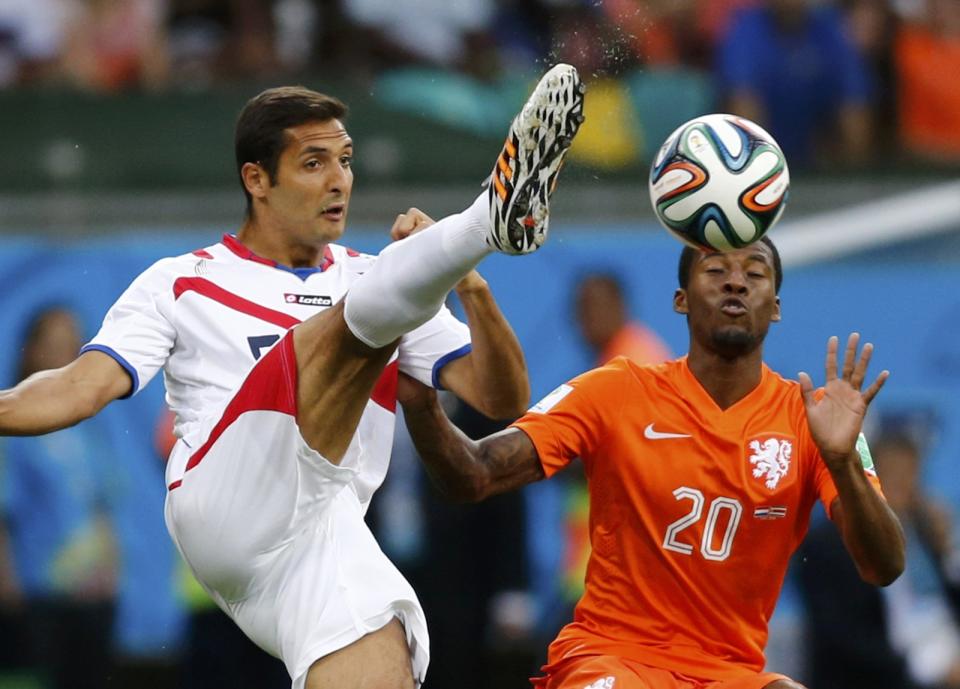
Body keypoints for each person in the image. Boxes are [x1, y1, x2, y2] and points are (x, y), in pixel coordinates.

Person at [0, 63, 586, 689]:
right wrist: (441, 258)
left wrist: (465, 281)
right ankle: (483, 221)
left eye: (346, 160)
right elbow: (79, 386)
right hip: (227, 504)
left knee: (386, 660)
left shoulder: (378, 279)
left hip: (325, 532)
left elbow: (503, 395)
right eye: (313, 164)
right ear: (257, 179)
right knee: (347, 327)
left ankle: (480, 234)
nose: (339, 181)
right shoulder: (183, 282)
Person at [398, 236, 906, 689]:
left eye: (754, 273)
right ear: (680, 300)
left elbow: (884, 565)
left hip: (731, 673)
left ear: (774, 306)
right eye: (714, 271)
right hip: (612, 658)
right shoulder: (617, 389)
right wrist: (420, 401)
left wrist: (841, 463)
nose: (735, 282)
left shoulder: (810, 420)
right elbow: (476, 473)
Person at [0, 307, 119, 689]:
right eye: (52, 345)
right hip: (39, 591)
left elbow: (100, 504)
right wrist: (7, 579)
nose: (62, 356)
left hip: (92, 593)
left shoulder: (89, 429)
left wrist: (112, 570)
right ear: (30, 351)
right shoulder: (13, 426)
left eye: (71, 346)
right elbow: (5, 513)